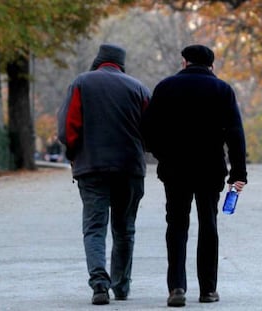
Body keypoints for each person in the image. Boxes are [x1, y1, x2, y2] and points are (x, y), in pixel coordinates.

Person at [140, 44, 247, 307]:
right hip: (210, 168)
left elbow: (147, 130)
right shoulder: (222, 90)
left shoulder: (166, 87)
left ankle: (177, 287)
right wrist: (238, 173)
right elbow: (235, 134)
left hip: (175, 168)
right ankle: (208, 290)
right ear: (212, 65)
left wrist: (163, 153)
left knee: (176, 225)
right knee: (208, 225)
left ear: (185, 62)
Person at [57, 44, 151, 305]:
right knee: (124, 229)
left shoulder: (82, 83)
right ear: (121, 64)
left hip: (92, 167)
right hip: (130, 168)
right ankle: (121, 286)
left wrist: (75, 153)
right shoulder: (139, 88)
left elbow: (68, 128)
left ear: (98, 61)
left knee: (95, 227)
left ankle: (100, 284)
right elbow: (151, 131)